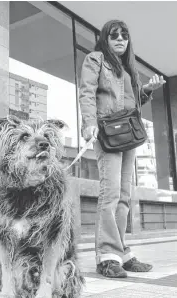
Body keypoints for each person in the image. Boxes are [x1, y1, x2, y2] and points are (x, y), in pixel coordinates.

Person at [79, 20, 166, 278]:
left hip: (128, 134)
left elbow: (130, 100)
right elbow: (87, 92)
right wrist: (89, 124)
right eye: (114, 35)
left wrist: (147, 90)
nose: (120, 39)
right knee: (111, 194)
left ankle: (120, 252)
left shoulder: (128, 68)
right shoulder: (96, 59)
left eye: (124, 35)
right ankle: (106, 256)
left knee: (125, 196)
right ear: (105, 38)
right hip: (107, 133)